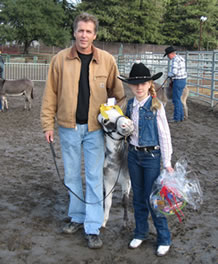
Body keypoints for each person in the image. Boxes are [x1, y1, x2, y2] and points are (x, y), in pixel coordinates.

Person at [40, 12, 124, 249]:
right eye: (80, 30)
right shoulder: (59, 60)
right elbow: (50, 95)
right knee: (72, 176)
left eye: (88, 31)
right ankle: (77, 217)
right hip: (67, 128)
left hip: (96, 129)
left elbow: (119, 94)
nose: (84, 35)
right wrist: (48, 124)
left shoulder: (107, 60)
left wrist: (114, 118)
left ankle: (93, 225)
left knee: (95, 177)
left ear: (94, 35)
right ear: (74, 32)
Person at [118, 63, 174, 257]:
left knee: (154, 198)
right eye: (135, 84)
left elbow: (164, 135)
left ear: (149, 83)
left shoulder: (156, 105)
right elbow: (126, 128)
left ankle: (164, 237)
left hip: (151, 157)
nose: (139, 87)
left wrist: (166, 162)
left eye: (143, 83)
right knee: (139, 197)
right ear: (130, 86)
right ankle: (140, 232)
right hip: (134, 155)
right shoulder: (131, 104)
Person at [164, 46, 187, 123]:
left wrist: (169, 74)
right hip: (183, 80)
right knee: (178, 99)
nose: (168, 57)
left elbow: (174, 72)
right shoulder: (181, 58)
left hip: (178, 81)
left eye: (167, 55)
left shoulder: (175, 60)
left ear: (170, 54)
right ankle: (181, 116)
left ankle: (176, 118)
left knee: (176, 100)